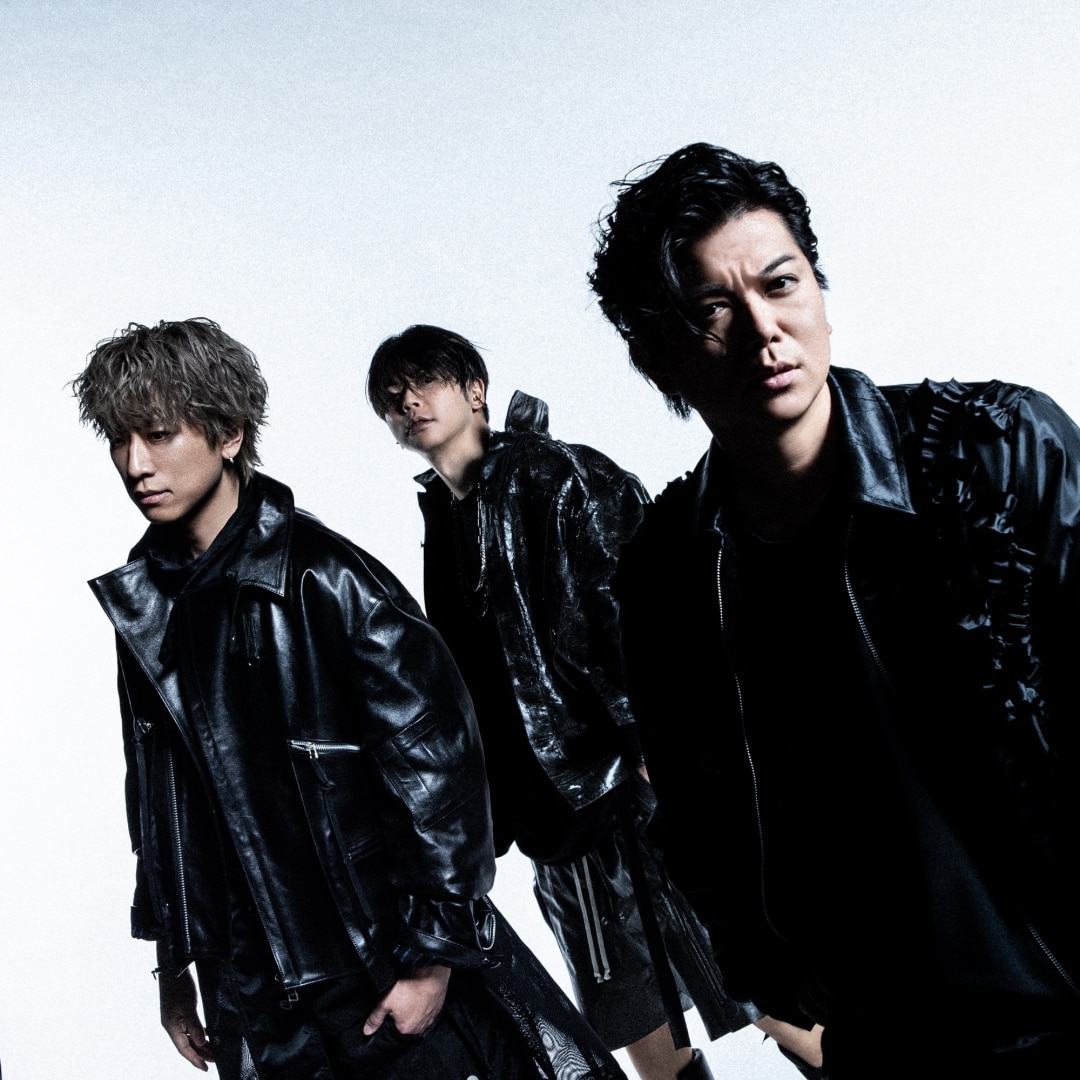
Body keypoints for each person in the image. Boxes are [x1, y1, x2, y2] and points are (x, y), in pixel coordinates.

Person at [590, 142, 1080, 1076]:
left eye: (782, 285)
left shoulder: (996, 450)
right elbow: (690, 809)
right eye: (711, 310)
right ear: (655, 355)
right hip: (890, 1034)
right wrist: (762, 955)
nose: (763, 330)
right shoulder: (670, 570)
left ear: (819, 290)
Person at [74, 317, 625, 1080]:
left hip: (378, 965)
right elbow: (162, 802)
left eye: (160, 434)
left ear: (229, 433)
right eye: (119, 439)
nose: (136, 464)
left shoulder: (326, 579)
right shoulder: (145, 608)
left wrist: (432, 960)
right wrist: (176, 963)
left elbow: (439, 768)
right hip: (253, 991)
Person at [367, 326, 818, 1080]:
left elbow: (639, 611)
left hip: (629, 798)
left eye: (425, 382)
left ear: (475, 389)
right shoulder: (446, 514)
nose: (408, 403)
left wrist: (655, 752)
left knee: (763, 994)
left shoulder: (557, 476)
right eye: (390, 398)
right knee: (640, 1029)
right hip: (554, 823)